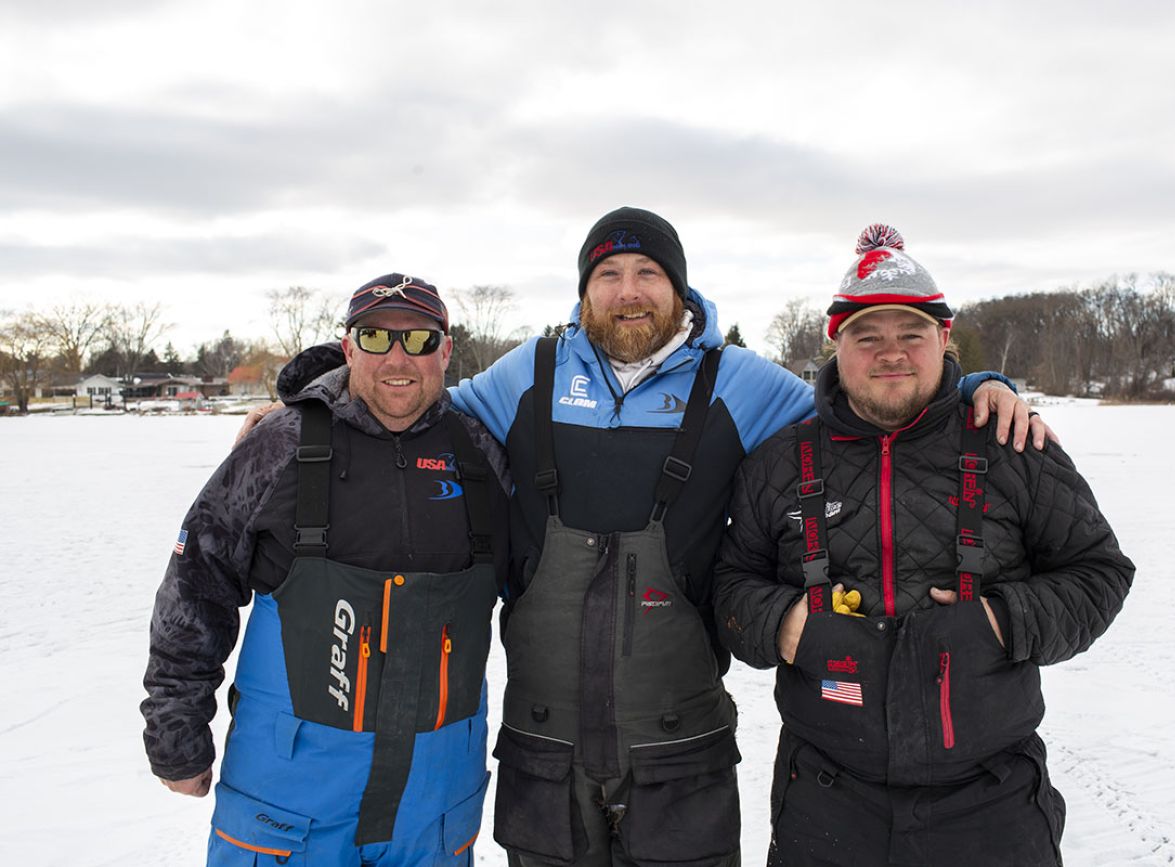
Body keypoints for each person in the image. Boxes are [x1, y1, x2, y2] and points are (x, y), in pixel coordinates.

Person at [249, 208, 1049, 866]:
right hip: (543, 745)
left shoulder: (740, 380)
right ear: (584, 292)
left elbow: (871, 398)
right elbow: (406, 396)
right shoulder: (531, 370)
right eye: (608, 274)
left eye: (648, 273)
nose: (629, 292)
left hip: (681, 747)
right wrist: (311, 400)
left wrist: (976, 387)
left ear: (678, 285)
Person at [711, 225, 1135, 866]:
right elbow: (730, 583)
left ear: (945, 339)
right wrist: (783, 622)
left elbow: (1099, 572)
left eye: (912, 333)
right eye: (867, 336)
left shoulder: (1011, 444)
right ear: (836, 346)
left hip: (992, 797)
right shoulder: (776, 463)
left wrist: (1004, 619)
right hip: (825, 796)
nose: (892, 353)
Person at [141, 275, 511, 866]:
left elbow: (544, 593)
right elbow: (196, 586)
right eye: (374, 337)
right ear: (347, 347)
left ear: (445, 350)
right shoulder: (279, 445)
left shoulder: (484, 454)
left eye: (418, 339)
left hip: (433, 805)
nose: (397, 357)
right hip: (287, 803)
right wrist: (175, 729)